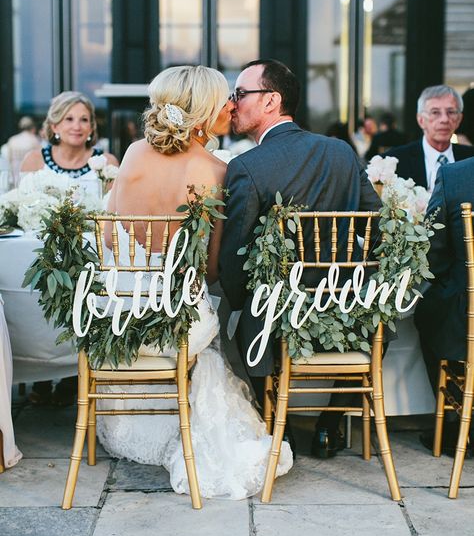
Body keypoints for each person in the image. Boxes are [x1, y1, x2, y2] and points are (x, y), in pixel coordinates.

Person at [96, 65, 292, 499]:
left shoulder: (131, 154)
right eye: (225, 99)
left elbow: (110, 236)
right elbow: (212, 270)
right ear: (204, 112)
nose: (231, 106)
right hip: (177, 319)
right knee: (210, 329)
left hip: (120, 312)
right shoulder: (217, 170)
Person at [218, 58, 381, 459]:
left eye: (240, 93)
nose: (233, 103)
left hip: (276, 314)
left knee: (235, 321)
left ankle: (280, 428)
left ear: (271, 100)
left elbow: (235, 257)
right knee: (377, 321)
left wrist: (240, 304)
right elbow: (377, 223)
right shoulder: (340, 151)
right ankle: (329, 426)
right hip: (345, 306)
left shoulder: (246, 167)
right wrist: (354, 279)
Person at [21, 92, 119, 407]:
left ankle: (73, 372)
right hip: (43, 248)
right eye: (69, 118)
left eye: (84, 119)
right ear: (55, 125)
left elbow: (113, 212)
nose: (77, 126)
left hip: (92, 254)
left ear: (92, 126)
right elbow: (23, 208)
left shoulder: (108, 162)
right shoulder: (35, 159)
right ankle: (38, 370)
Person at [414, 158, 474, 455]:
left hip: (467, 324)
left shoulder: (456, 176)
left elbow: (432, 255)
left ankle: (456, 423)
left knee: (426, 310)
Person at [385, 85, 474, 192]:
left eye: (451, 112)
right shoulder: (394, 162)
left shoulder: (471, 159)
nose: (444, 119)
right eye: (435, 112)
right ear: (421, 120)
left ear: (459, 119)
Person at [1, 116, 41, 187]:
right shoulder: (35, 140)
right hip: (30, 177)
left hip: (15, 176)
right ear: (33, 128)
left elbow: (8, 159)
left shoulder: (12, 140)